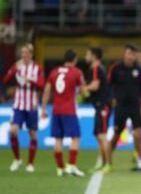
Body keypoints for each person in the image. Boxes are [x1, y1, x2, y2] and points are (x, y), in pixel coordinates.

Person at [42, 49, 86, 177]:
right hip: (69, 110)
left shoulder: (54, 72)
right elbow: (83, 91)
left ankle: (60, 168)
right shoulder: (77, 72)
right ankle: (71, 166)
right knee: (76, 137)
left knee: (58, 139)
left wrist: (44, 108)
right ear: (75, 59)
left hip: (56, 110)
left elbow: (46, 91)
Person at [2, 43, 44, 173]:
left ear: (31, 54)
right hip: (18, 104)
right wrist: (14, 69)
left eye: (25, 53)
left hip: (31, 105)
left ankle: (30, 163)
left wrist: (29, 79)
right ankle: (17, 159)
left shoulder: (37, 68)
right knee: (13, 131)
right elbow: (5, 79)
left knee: (33, 134)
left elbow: (41, 84)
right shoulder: (18, 66)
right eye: (22, 53)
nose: (23, 55)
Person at [108, 44, 141, 172]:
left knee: (138, 134)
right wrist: (112, 98)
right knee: (116, 134)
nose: (131, 56)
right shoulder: (116, 68)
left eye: (133, 54)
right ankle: (107, 161)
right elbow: (109, 85)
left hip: (135, 106)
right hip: (121, 106)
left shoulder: (139, 70)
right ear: (124, 54)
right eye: (129, 53)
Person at [84, 47, 112, 173]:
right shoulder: (98, 68)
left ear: (94, 56)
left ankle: (108, 163)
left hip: (103, 105)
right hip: (99, 105)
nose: (85, 56)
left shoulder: (95, 68)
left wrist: (83, 88)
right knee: (98, 134)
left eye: (88, 54)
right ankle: (101, 161)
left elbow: (95, 85)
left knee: (102, 135)